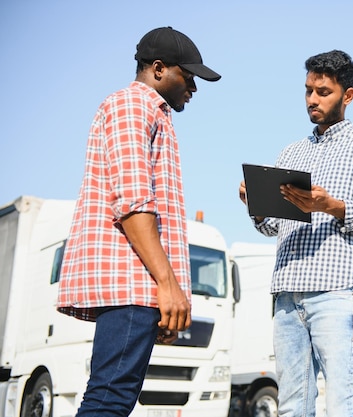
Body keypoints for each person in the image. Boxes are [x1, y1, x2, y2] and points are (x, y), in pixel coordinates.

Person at [57, 26, 221, 417]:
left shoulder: (152, 114)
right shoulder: (134, 105)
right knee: (109, 399)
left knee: (114, 396)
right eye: (190, 76)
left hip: (137, 284)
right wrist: (168, 286)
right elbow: (133, 203)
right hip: (131, 278)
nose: (194, 88)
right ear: (159, 68)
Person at [239, 49, 353, 417]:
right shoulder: (291, 152)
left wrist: (331, 206)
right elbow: (273, 226)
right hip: (288, 295)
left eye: (323, 91)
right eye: (308, 90)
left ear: (348, 95)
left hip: (338, 290)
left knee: (343, 402)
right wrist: (255, 205)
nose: (312, 99)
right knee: (292, 406)